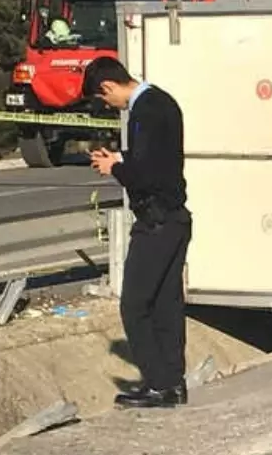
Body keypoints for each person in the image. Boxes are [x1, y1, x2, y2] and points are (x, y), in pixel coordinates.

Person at [82, 57, 192, 409]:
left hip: (155, 223)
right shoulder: (163, 101)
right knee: (167, 304)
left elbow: (144, 175)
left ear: (108, 87)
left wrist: (115, 167)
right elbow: (155, 159)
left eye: (103, 100)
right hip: (175, 219)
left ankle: (159, 385)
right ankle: (173, 381)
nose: (107, 106)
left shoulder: (142, 111)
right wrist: (122, 158)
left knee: (134, 305)